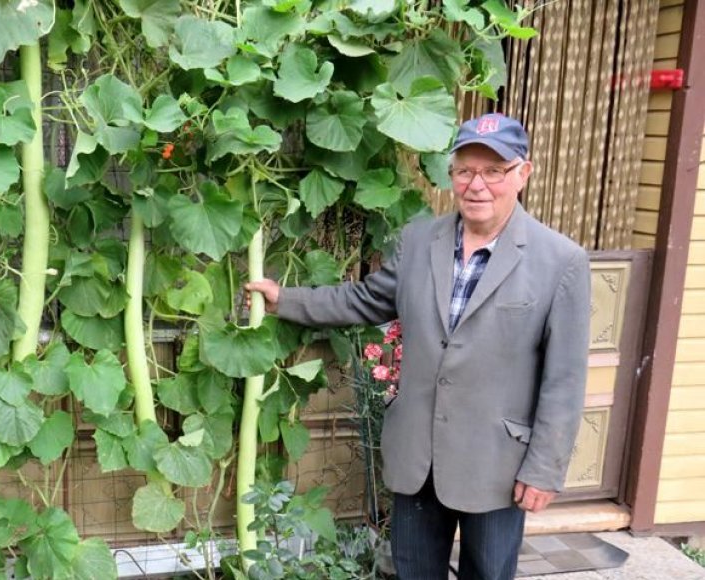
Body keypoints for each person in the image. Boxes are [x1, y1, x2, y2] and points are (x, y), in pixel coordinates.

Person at [245, 113, 590, 580]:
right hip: (417, 455)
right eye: (465, 170)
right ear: (452, 175)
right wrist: (285, 299)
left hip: (496, 463)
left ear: (522, 173)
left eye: (494, 171)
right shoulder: (419, 239)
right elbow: (366, 299)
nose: (477, 184)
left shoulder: (561, 261)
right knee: (411, 573)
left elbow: (564, 380)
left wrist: (544, 469)